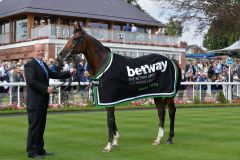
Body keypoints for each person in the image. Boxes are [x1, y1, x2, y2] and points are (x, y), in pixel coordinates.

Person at [24, 43, 76, 159]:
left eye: (42, 50)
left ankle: (40, 149)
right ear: (33, 52)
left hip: (42, 100)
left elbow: (53, 74)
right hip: (35, 101)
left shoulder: (43, 64)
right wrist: (45, 88)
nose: (41, 52)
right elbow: (31, 82)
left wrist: (68, 73)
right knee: (35, 126)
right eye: (38, 50)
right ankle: (32, 151)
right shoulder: (30, 65)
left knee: (41, 126)